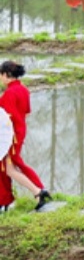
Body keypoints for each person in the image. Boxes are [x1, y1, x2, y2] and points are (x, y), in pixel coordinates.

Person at [0, 61, 52, 213]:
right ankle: (37, 190)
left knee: (9, 168)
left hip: (11, 135)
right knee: (10, 166)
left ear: (6, 75)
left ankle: (38, 191)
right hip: (20, 130)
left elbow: (6, 118)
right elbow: (26, 111)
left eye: (1, 75)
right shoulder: (23, 89)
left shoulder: (9, 93)